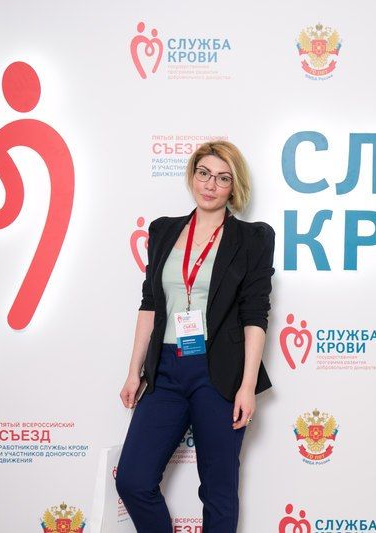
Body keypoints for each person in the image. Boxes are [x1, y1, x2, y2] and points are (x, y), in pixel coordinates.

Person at [115, 141, 275, 533]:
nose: (210, 185)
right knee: (133, 480)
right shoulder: (163, 230)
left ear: (233, 187)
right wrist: (134, 371)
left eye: (222, 178)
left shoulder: (253, 238)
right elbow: (150, 304)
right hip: (166, 371)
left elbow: (255, 314)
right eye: (204, 173)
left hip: (219, 373)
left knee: (218, 492)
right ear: (192, 175)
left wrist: (247, 386)